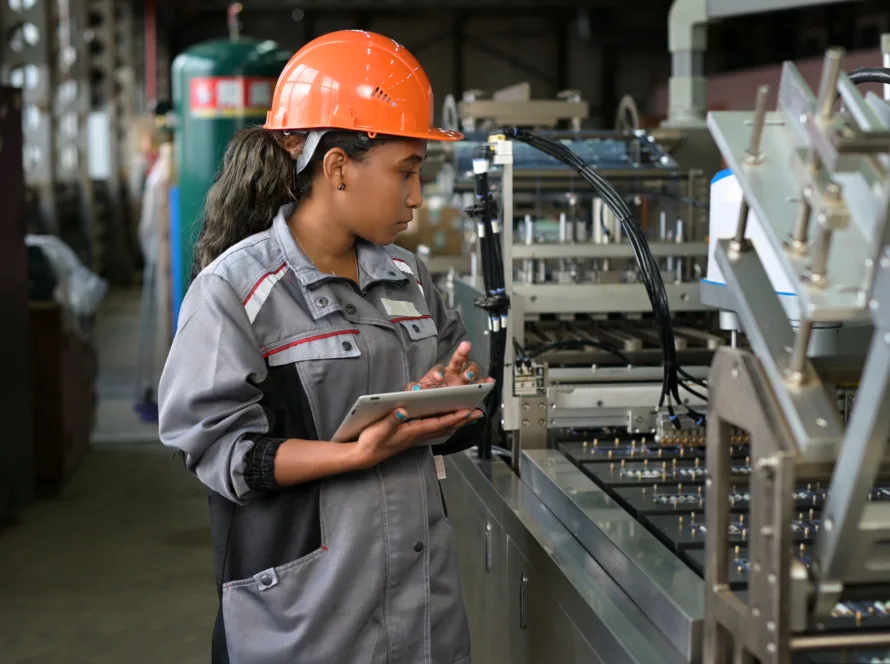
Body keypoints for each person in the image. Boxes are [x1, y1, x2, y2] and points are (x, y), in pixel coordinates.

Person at [158, 30, 492, 664]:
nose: (417, 197)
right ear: (338, 166)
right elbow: (221, 451)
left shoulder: (409, 279)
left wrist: (447, 402)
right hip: (305, 622)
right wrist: (354, 454)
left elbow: (445, 421)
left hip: (421, 615)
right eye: (407, 171)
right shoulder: (237, 290)